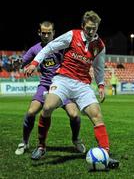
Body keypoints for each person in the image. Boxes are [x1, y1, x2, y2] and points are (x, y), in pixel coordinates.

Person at [25, 11, 119, 169]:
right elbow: (49, 48)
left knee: (96, 114)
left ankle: (105, 154)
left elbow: (98, 68)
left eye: (94, 28)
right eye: (88, 28)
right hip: (63, 80)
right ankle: (41, 147)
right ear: (83, 26)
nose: (91, 31)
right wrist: (35, 63)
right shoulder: (72, 35)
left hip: (82, 85)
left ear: (97, 28)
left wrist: (101, 85)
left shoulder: (100, 45)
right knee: (47, 107)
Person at [15, 21, 86, 155]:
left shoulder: (62, 46)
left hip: (63, 84)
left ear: (54, 33)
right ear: (39, 33)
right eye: (43, 33)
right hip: (46, 85)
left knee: (74, 114)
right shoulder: (35, 49)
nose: (46, 35)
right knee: (31, 112)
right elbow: (23, 62)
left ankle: (76, 139)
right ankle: (24, 142)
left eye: (49, 33)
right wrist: (19, 63)